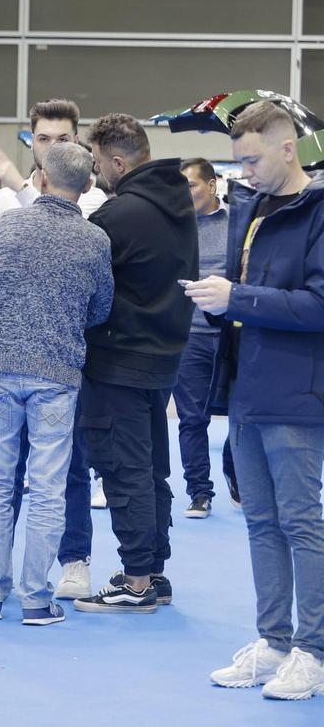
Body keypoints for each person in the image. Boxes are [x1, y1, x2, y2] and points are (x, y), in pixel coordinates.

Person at [188, 102, 324, 700]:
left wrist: (237, 298)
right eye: (237, 162)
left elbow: (319, 305)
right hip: (245, 391)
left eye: (251, 160)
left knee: (301, 525)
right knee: (261, 524)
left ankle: (314, 652)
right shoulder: (251, 209)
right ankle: (274, 642)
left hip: (298, 396)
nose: (242, 172)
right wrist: (219, 300)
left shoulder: (318, 211)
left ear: (288, 149)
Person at [0, 142, 114, 626]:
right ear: (88, 185)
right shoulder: (95, 239)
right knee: (49, 489)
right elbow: (101, 309)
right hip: (57, 373)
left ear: (42, 177)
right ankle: (35, 598)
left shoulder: (9, 223)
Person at [71, 113, 197, 615]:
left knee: (124, 470)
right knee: (151, 470)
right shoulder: (179, 203)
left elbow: (84, 285)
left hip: (118, 360)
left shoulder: (117, 215)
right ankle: (153, 571)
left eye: (99, 161)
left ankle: (137, 581)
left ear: (119, 162)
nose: (98, 171)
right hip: (162, 358)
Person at [172, 158, 236, 517]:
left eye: (191, 185)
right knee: (192, 419)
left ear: (212, 186)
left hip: (232, 335)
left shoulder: (236, 223)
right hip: (190, 336)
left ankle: (234, 470)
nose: (184, 194)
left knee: (241, 416)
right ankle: (200, 492)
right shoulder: (174, 228)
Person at [0, 99, 107, 264]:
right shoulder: (2, 199)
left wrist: (20, 187)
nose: (53, 147)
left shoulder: (92, 197)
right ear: (32, 142)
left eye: (62, 140)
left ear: (75, 143)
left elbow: (62, 239)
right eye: (44, 139)